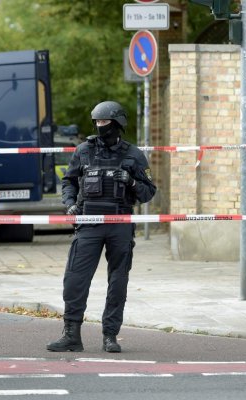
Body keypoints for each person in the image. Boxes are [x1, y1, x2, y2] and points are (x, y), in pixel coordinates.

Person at [46, 101, 156, 354]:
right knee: (75, 279)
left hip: (119, 223)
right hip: (89, 222)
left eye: (104, 122)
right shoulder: (84, 150)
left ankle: (110, 336)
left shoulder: (134, 155)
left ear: (117, 124)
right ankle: (71, 335)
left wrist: (130, 182)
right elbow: (69, 181)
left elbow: (149, 191)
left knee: (118, 281)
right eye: (96, 122)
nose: (99, 126)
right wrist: (70, 204)